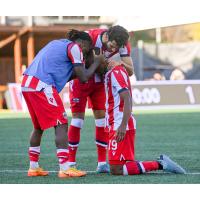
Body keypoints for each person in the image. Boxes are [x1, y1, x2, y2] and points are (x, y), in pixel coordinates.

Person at [21, 29, 104, 178]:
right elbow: (84, 78)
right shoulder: (75, 48)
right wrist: (97, 62)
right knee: (61, 123)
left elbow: (68, 74)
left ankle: (33, 167)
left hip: (27, 83)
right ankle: (65, 167)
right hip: (42, 85)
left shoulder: (57, 43)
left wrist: (84, 66)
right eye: (87, 49)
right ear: (83, 44)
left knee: (38, 127)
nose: (85, 53)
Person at [67, 25, 134, 173]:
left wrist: (120, 63)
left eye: (115, 48)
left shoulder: (122, 44)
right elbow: (76, 57)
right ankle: (70, 164)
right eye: (111, 45)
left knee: (102, 121)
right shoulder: (89, 36)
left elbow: (131, 71)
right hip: (81, 80)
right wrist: (98, 63)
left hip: (99, 82)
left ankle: (102, 163)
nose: (112, 49)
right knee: (77, 121)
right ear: (106, 37)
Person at [104, 60, 186, 175]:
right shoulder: (111, 71)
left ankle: (160, 164)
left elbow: (126, 97)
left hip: (119, 124)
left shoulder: (116, 72)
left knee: (116, 169)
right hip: (117, 122)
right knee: (123, 165)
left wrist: (122, 125)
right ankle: (161, 164)